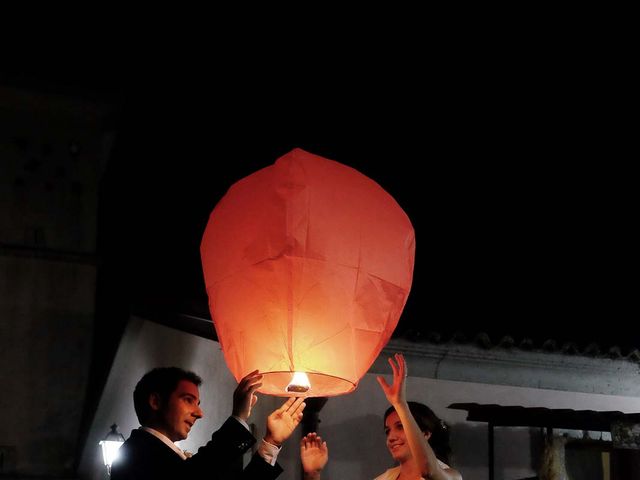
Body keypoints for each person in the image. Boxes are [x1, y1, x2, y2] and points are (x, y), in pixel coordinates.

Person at [111, 366, 305, 479]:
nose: (199, 413)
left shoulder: (163, 456)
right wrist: (238, 417)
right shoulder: (136, 455)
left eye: (198, 403)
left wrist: (271, 442)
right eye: (188, 399)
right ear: (156, 402)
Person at [300, 353, 462, 480]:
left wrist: (400, 404)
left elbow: (428, 471)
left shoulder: (450, 475)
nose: (391, 437)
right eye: (387, 431)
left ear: (425, 434)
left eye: (400, 426)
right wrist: (313, 474)